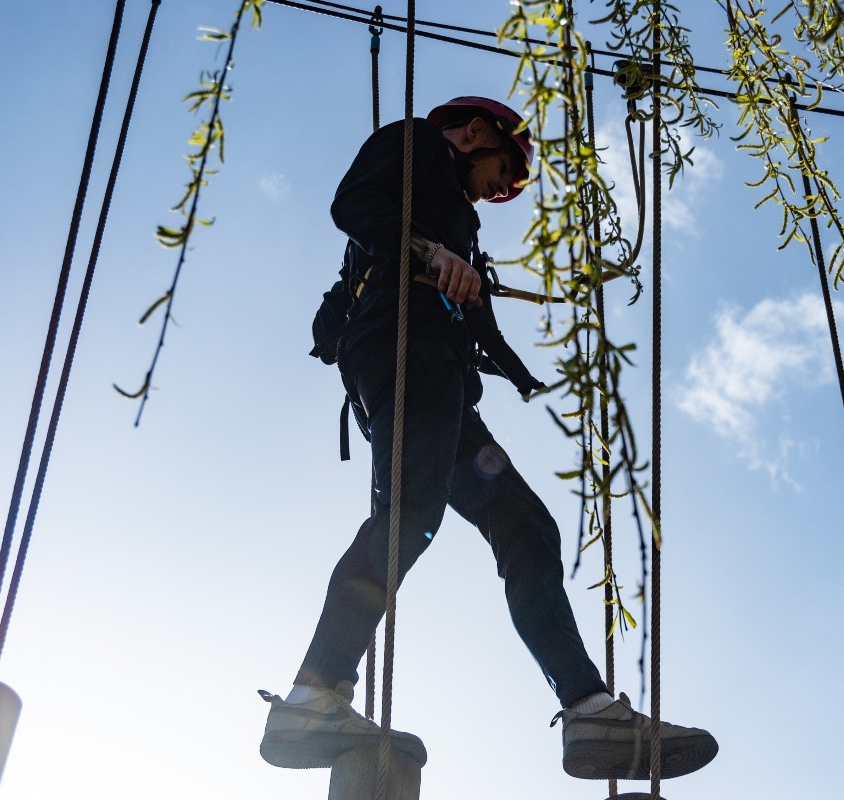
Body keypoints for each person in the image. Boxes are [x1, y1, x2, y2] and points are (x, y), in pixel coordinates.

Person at [259, 96, 717, 781]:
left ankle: (589, 710)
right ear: (475, 134)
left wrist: (526, 376)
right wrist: (429, 249)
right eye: (500, 171)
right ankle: (312, 694)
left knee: (527, 529)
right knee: (410, 514)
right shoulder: (413, 145)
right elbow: (353, 207)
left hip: (441, 376)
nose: (497, 189)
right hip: (403, 351)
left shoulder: (457, 222)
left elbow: (479, 322)